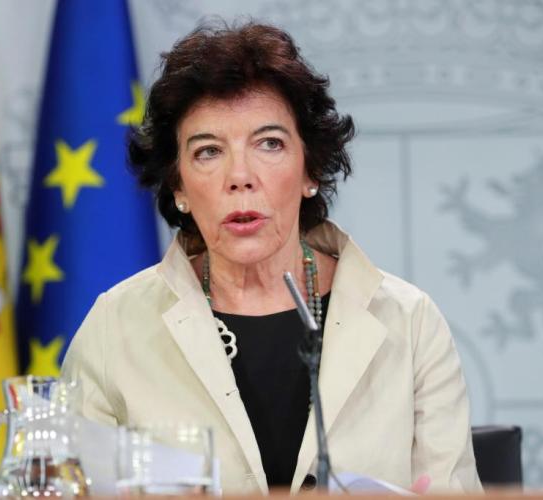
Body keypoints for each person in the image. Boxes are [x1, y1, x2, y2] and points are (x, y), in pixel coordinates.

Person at [61, 21, 482, 494]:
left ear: (310, 171)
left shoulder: (409, 322)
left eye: (269, 144)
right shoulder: (115, 328)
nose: (240, 176)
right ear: (178, 186)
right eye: (208, 151)